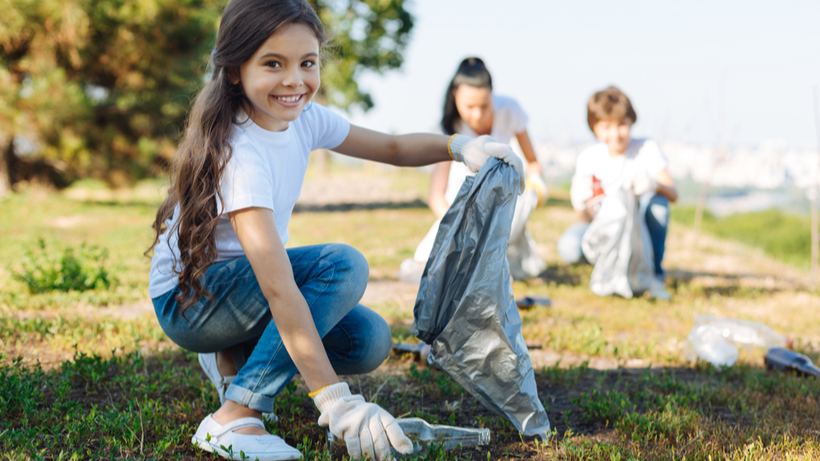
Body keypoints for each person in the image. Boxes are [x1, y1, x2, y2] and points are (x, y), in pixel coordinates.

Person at [146, 2, 525, 460]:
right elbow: (279, 287)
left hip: (237, 293)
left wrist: (460, 146)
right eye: (273, 64)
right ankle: (234, 414)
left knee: (369, 340)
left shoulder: (303, 120)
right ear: (233, 71)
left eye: (307, 63)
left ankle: (234, 357)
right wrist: (336, 402)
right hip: (190, 302)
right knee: (342, 266)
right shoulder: (239, 151)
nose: (294, 80)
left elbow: (389, 146)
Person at [405, 57, 547, 282]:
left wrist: (536, 184)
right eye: (470, 107)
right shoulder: (448, 129)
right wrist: (462, 227)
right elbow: (436, 196)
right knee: (428, 262)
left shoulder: (509, 109)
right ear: (455, 94)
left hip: (502, 208)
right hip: (462, 211)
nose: (477, 115)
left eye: (484, 105)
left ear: (492, 95)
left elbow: (532, 162)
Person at [557, 86, 677, 282]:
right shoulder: (589, 158)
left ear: (631, 122)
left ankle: (654, 270)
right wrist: (579, 204)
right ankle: (609, 264)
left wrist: (654, 184)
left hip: (640, 229)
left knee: (658, 205)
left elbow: (673, 194)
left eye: (622, 124)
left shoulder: (646, 148)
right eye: (606, 126)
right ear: (594, 128)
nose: (616, 134)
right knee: (569, 246)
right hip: (605, 229)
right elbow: (587, 219)